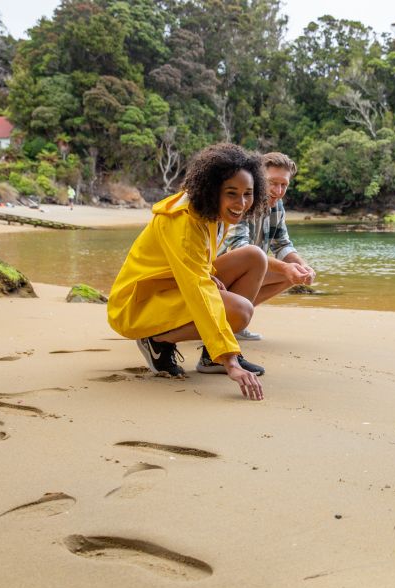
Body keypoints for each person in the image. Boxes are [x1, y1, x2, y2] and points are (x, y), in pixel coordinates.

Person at [106, 143, 269, 400]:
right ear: (212, 190)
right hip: (135, 305)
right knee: (240, 312)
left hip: (167, 287)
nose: (241, 202)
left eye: (248, 193)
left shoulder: (213, 214)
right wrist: (230, 359)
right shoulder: (184, 221)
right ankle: (158, 342)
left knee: (255, 257)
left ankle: (209, 357)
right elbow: (197, 289)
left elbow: (194, 268)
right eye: (232, 193)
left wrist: (208, 276)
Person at [221, 151, 316, 340]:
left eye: (284, 185)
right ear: (257, 178)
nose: (278, 191)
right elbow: (240, 249)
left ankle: (234, 322)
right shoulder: (241, 201)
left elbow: (282, 244)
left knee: (294, 274)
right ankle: (228, 320)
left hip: (247, 271)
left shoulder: (277, 205)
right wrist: (285, 267)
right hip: (218, 274)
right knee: (263, 260)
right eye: (272, 182)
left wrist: (302, 267)